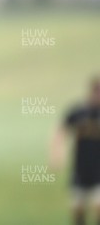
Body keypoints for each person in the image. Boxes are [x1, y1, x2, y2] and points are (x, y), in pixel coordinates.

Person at [51, 77, 100, 225]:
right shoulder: (78, 112)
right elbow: (60, 130)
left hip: (98, 171)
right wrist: (57, 154)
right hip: (80, 170)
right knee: (77, 208)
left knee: (98, 205)